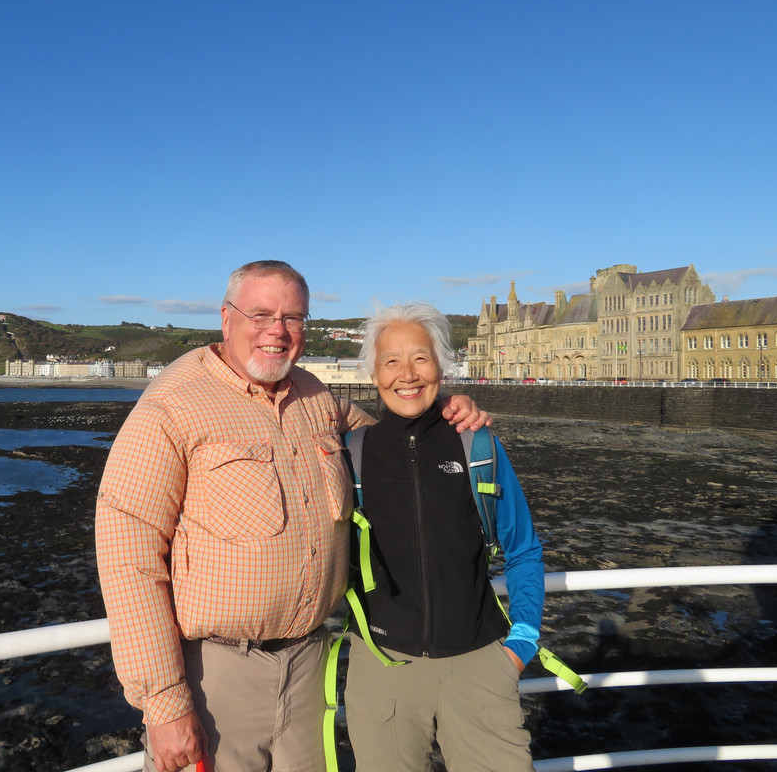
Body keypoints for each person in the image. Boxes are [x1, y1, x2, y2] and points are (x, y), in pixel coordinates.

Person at [95, 261, 490, 772]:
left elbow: (393, 441)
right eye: (261, 314)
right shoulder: (172, 405)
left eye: (294, 318)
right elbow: (128, 553)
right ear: (225, 318)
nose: (277, 331)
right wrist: (165, 704)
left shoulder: (316, 397)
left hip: (311, 668)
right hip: (218, 678)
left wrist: (447, 412)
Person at [343, 301, 543, 772]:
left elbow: (523, 549)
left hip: (480, 661)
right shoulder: (350, 456)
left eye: (420, 358)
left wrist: (522, 643)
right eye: (391, 360)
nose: (407, 374)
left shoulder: (477, 446)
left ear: (441, 367)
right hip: (382, 664)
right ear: (373, 373)